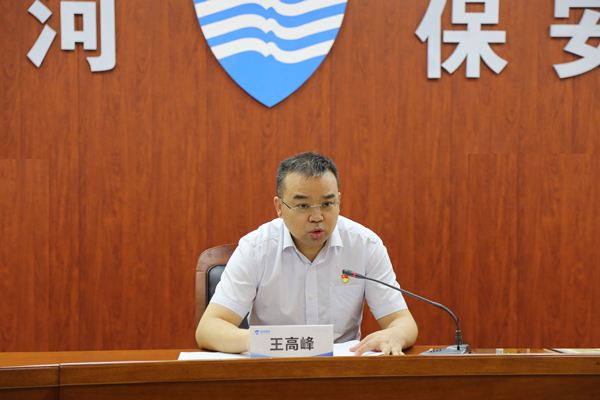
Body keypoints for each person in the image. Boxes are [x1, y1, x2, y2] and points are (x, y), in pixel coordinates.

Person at [196, 152, 418, 356]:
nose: (317, 216)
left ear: (339, 201)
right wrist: (260, 342)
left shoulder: (365, 245)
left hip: (341, 374)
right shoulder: (255, 249)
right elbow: (208, 328)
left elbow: (402, 321)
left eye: (327, 204)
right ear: (279, 207)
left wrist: (396, 334)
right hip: (273, 368)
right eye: (303, 206)